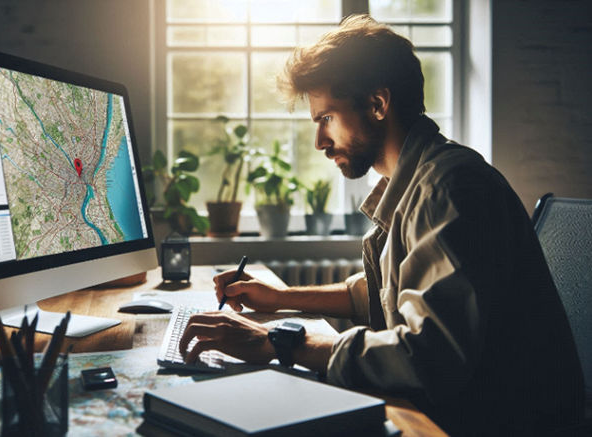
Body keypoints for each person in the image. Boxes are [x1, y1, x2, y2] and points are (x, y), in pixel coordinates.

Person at [178, 15, 584, 436]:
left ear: (377, 104)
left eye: (326, 118)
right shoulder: (419, 182)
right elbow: (385, 291)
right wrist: (281, 296)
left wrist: (276, 341)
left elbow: (427, 356)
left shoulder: (451, 189)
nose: (319, 141)